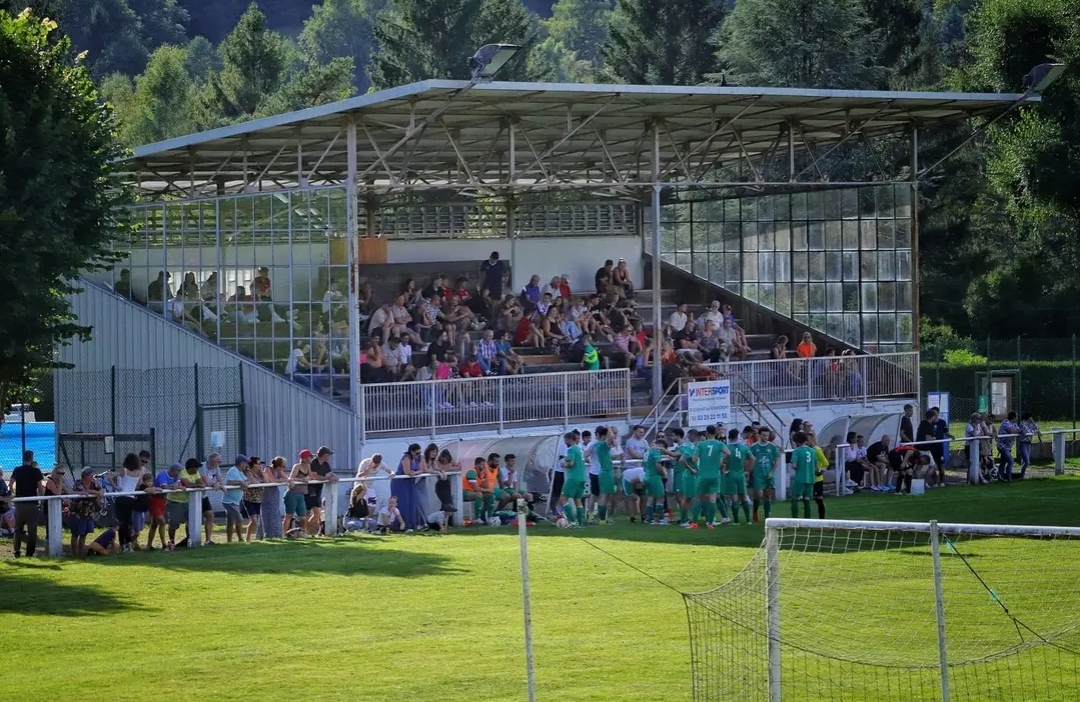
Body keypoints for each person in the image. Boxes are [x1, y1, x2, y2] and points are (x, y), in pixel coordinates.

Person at [692, 425, 729, 529]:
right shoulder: (720, 444)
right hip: (715, 475)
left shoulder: (701, 444)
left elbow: (694, 459)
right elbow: (729, 453)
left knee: (698, 498)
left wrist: (698, 462)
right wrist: (723, 461)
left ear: (707, 433)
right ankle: (710, 523)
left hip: (703, 475)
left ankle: (694, 523)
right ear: (716, 433)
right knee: (712, 498)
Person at [10, 449, 44, 558]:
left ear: (23, 458)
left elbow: (10, 484)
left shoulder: (17, 470)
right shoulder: (36, 471)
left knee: (18, 529)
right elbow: (40, 488)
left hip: (19, 503)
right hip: (32, 503)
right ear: (32, 458)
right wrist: (40, 499)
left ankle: (17, 551)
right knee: (32, 529)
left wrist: (13, 494)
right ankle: (29, 553)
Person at [69, 467, 104, 557]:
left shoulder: (94, 482)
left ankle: (81, 553)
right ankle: (75, 554)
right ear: (85, 476)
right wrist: (96, 493)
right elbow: (83, 491)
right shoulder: (78, 483)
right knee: (76, 534)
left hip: (89, 512)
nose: (93, 476)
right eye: (90, 475)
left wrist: (99, 492)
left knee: (84, 533)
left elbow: (101, 490)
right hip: (78, 512)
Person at [112, 452, 142, 553]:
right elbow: (138, 484)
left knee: (121, 522)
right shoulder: (138, 472)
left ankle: (123, 545)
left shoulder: (124, 470)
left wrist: (116, 487)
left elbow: (110, 477)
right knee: (127, 522)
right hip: (131, 498)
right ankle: (128, 545)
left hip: (121, 497)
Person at [724, 428, 755, 525]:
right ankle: (748, 520)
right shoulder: (744, 447)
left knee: (734, 498)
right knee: (744, 497)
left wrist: (724, 471)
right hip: (741, 473)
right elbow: (753, 459)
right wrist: (748, 471)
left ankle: (736, 521)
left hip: (731, 473)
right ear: (737, 436)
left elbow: (722, 461)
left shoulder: (726, 447)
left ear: (729, 437)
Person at [750, 428, 781, 522]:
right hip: (758, 474)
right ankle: (755, 511)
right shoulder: (754, 447)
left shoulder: (772, 447)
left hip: (768, 474)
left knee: (767, 495)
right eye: (764, 435)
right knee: (758, 495)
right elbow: (750, 460)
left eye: (767, 435)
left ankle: (767, 514)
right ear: (759, 435)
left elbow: (776, 461)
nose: (766, 437)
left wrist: (771, 472)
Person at [149, 462, 182, 550]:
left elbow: (179, 485)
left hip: (163, 500)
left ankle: (149, 545)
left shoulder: (176, 476)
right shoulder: (162, 474)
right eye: (178, 470)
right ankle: (164, 544)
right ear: (174, 470)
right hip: (154, 500)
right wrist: (173, 486)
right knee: (162, 522)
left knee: (154, 524)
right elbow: (164, 487)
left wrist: (179, 486)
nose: (179, 473)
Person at [307, 446, 339, 535]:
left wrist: (334, 477)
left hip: (318, 489)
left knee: (317, 513)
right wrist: (326, 478)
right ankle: (306, 530)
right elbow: (314, 476)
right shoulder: (313, 462)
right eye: (328, 455)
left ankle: (309, 530)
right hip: (309, 489)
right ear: (323, 455)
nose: (328, 457)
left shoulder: (325, 464)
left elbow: (330, 474)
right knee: (308, 512)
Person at [392, 444, 425, 530]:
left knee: (412, 503)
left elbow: (422, 469)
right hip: (400, 483)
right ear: (412, 451)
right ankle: (401, 525)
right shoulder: (406, 457)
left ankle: (412, 524)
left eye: (419, 453)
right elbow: (407, 472)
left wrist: (416, 472)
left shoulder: (418, 458)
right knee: (403, 503)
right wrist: (414, 472)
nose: (418, 455)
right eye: (417, 453)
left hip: (410, 482)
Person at [560, 432, 588, 527]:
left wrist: (564, 464)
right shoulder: (579, 449)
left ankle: (572, 521)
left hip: (573, 478)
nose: (565, 442)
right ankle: (580, 523)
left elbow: (571, 464)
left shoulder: (571, 449)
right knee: (578, 500)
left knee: (563, 499)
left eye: (565, 440)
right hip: (582, 477)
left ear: (569, 439)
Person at [221, 456, 250, 543]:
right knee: (239, 518)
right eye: (245, 463)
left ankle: (229, 541)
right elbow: (229, 482)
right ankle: (240, 538)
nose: (247, 465)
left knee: (230, 522)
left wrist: (245, 483)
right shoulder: (233, 470)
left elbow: (246, 480)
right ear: (241, 463)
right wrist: (241, 483)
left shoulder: (239, 472)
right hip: (229, 502)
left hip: (235, 501)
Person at [642, 437, 670, 525]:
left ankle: (650, 519)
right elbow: (658, 465)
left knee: (650, 497)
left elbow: (644, 466)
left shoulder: (647, 452)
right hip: (655, 477)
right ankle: (661, 519)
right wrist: (663, 474)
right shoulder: (656, 451)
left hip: (647, 476)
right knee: (660, 497)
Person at [286, 451, 314, 536]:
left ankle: (301, 533)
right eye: (310, 457)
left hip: (302, 494)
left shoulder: (308, 466)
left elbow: (311, 476)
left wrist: (308, 477)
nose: (311, 459)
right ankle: (284, 534)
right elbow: (290, 478)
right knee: (289, 516)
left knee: (303, 517)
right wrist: (302, 480)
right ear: (305, 458)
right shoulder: (297, 466)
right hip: (292, 493)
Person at [789, 432, 816, 519]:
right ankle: (808, 519)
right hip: (810, 478)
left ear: (797, 441)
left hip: (800, 478)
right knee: (807, 499)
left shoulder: (797, 451)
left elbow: (794, 465)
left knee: (794, 498)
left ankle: (795, 519)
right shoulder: (812, 451)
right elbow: (815, 465)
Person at [261, 456, 289, 538]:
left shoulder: (279, 471)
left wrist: (285, 480)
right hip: (267, 493)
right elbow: (272, 480)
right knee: (268, 513)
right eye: (283, 466)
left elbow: (286, 478)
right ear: (278, 465)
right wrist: (281, 480)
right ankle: (268, 534)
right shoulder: (267, 469)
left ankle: (277, 533)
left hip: (274, 492)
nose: (283, 468)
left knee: (275, 513)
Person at [199, 453, 223, 545]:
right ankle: (190, 539)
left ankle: (208, 540)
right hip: (194, 497)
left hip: (204, 496)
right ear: (210, 460)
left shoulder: (216, 467)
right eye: (218, 459)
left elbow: (220, 480)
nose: (220, 462)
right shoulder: (202, 466)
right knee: (191, 519)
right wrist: (215, 484)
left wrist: (217, 483)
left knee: (210, 515)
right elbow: (207, 482)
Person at [997, 412, 1021, 482]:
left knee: (1003, 462)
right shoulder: (1006, 423)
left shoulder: (1014, 424)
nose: (1017, 418)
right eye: (1016, 417)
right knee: (1011, 461)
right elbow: (1012, 431)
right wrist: (1020, 431)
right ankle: (1009, 477)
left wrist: (1020, 431)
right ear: (1014, 417)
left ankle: (1000, 476)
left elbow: (1018, 430)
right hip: (1002, 446)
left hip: (1008, 446)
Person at [1018, 412, 1042, 479]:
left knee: (1025, 461)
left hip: (1028, 444)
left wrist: (1034, 423)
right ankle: (1021, 474)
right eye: (1031, 417)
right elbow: (1028, 432)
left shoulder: (1031, 423)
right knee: (1027, 461)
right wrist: (1035, 432)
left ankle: (1022, 475)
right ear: (1028, 417)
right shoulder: (1022, 424)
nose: (1032, 418)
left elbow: (1037, 430)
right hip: (1023, 443)